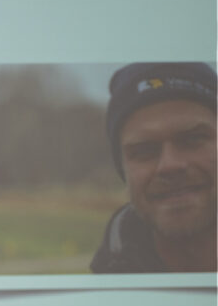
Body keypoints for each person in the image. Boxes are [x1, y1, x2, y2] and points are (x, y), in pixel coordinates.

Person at [90, 61, 216, 274]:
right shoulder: (102, 297)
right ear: (124, 170)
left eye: (193, 139)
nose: (170, 165)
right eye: (144, 151)